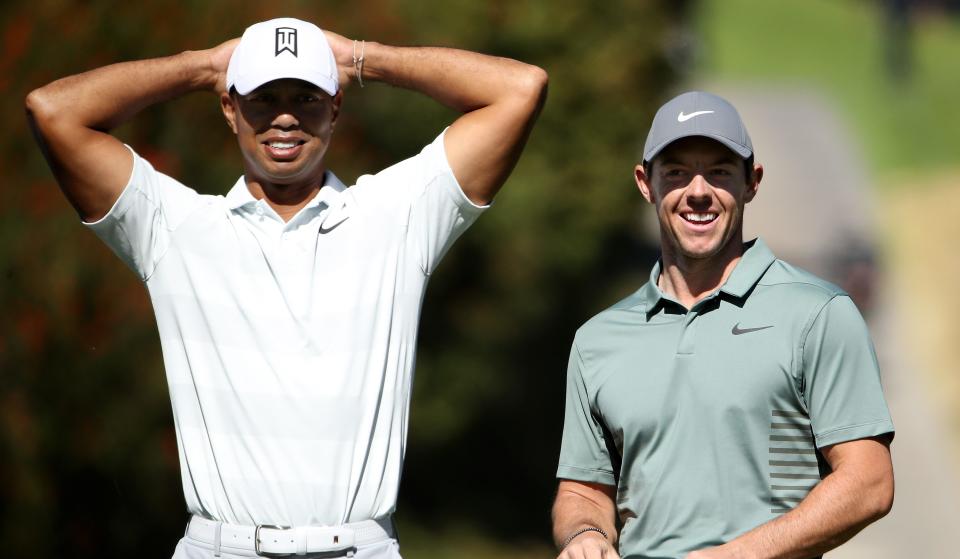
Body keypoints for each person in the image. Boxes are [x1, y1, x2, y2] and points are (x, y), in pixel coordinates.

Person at [26, 16, 546, 559]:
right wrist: (203, 66)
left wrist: (364, 58)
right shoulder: (176, 227)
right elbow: (54, 110)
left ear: (336, 107)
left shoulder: (396, 217)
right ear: (230, 108)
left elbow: (519, 88)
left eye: (307, 98)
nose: (284, 118)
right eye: (262, 98)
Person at [551, 91, 894, 559]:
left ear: (751, 182)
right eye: (675, 172)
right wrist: (584, 534)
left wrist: (735, 556)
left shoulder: (818, 314)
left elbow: (869, 482)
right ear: (644, 183)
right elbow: (583, 492)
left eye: (719, 171)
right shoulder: (597, 341)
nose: (697, 191)